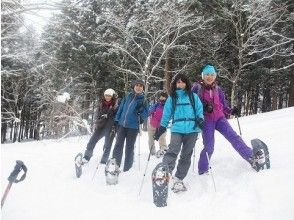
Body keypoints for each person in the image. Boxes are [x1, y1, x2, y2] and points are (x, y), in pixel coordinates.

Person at [191, 64, 265, 174]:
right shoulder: (197, 88)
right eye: (207, 74)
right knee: (209, 146)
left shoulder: (218, 89)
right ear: (203, 75)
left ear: (215, 76)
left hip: (220, 118)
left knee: (234, 137)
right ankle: (203, 169)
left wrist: (231, 110)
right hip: (206, 120)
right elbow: (191, 103)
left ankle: (251, 157)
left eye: (212, 74)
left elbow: (224, 105)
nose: (209, 77)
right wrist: (203, 108)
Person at [154, 73, 204, 192]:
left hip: (192, 129)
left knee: (186, 155)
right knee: (172, 151)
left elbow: (199, 110)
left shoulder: (193, 97)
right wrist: (162, 127)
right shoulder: (172, 98)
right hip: (177, 128)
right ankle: (164, 173)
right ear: (175, 84)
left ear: (186, 83)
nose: (180, 84)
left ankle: (179, 178)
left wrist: (200, 119)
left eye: (182, 82)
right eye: (178, 82)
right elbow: (166, 114)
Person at [111, 79, 148, 172]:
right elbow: (121, 108)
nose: (138, 87)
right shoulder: (127, 96)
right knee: (118, 145)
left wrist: (140, 111)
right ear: (134, 86)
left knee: (129, 147)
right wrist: (116, 120)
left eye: (141, 86)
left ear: (143, 88)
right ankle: (115, 165)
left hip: (133, 127)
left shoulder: (144, 100)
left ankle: (128, 168)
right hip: (122, 125)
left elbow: (146, 113)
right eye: (137, 85)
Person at [82, 88, 118, 164]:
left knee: (107, 144)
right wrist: (98, 120)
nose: (107, 97)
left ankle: (104, 160)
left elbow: (117, 116)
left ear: (112, 96)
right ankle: (87, 157)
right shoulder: (101, 104)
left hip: (110, 127)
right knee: (92, 141)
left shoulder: (115, 106)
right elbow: (97, 115)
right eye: (106, 95)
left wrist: (112, 120)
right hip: (101, 126)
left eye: (109, 96)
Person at [148, 91, 168, 157]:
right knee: (151, 139)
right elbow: (149, 112)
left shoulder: (167, 106)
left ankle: (163, 150)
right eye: (161, 97)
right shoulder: (156, 105)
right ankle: (152, 152)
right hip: (152, 125)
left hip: (162, 126)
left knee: (162, 138)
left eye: (163, 97)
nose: (162, 98)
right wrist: (151, 108)